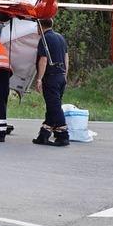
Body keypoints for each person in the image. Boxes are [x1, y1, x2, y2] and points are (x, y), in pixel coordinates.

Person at [32, 18, 70, 146]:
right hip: (61, 75)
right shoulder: (60, 37)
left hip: (51, 76)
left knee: (54, 106)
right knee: (52, 105)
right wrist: (65, 74)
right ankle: (44, 134)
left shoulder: (44, 39)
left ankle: (62, 134)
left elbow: (43, 59)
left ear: (40, 26)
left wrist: (39, 78)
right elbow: (66, 57)